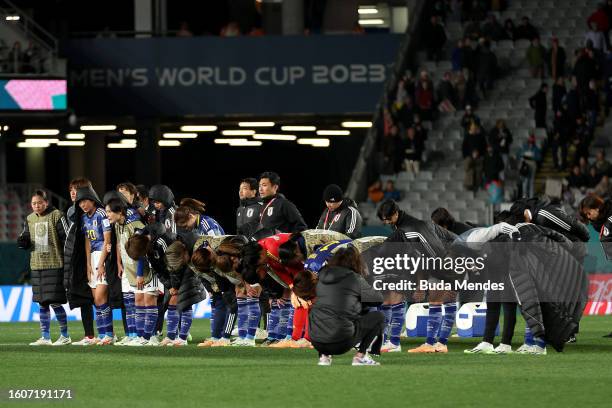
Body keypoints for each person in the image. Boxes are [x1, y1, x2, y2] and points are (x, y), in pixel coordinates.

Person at [309, 247, 385, 366]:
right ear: (356, 261)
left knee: (323, 310)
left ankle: (324, 357)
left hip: (316, 342)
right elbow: (378, 299)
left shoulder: (322, 276)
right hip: (341, 342)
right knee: (378, 316)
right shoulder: (355, 278)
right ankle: (360, 356)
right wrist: (368, 278)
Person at [18, 190, 70, 346]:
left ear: (46, 202)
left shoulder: (57, 215)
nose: (37, 206)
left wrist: (68, 262)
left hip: (54, 264)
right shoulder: (29, 219)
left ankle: (65, 335)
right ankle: (45, 337)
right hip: (36, 265)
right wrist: (23, 242)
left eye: (39, 203)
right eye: (34, 203)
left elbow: (66, 239)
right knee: (42, 303)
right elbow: (25, 236)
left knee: (55, 301)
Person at [106, 198, 160, 346]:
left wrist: (140, 273)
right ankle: (141, 337)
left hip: (145, 271)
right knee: (138, 302)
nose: (108, 215)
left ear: (120, 212)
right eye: (106, 212)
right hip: (131, 270)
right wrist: (119, 263)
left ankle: (150, 337)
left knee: (149, 301)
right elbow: (119, 245)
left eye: (110, 211)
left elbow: (143, 249)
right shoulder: (117, 225)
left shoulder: (135, 225)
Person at [76, 185, 115, 345]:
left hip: (102, 256)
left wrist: (102, 263)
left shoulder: (101, 214)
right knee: (96, 300)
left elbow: (107, 240)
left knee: (100, 297)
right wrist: (88, 263)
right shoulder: (84, 218)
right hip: (92, 257)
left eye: (85, 201)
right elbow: (87, 240)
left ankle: (109, 334)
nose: (83, 205)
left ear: (92, 200)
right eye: (80, 202)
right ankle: (102, 334)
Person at [63, 178, 96, 346]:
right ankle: (89, 335)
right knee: (84, 298)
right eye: (71, 190)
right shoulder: (70, 212)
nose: (73, 193)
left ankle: (109, 334)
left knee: (104, 296)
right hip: (79, 260)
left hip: (96, 257)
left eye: (77, 189)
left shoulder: (98, 211)